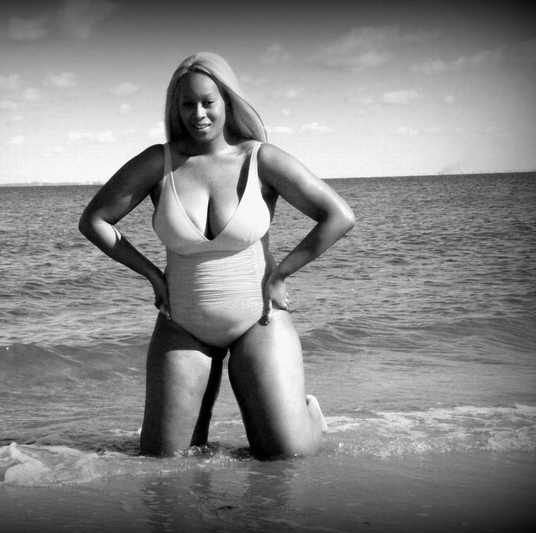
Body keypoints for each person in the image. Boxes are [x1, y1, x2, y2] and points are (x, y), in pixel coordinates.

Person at [78, 52, 355, 459]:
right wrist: (153, 275)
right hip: (182, 325)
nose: (198, 114)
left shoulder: (260, 159)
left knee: (285, 457)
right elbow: (94, 221)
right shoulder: (159, 162)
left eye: (208, 102)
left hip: (258, 321)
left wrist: (281, 275)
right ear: (175, 107)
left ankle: (307, 415)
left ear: (227, 101)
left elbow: (339, 216)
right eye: (186, 104)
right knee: (164, 464)